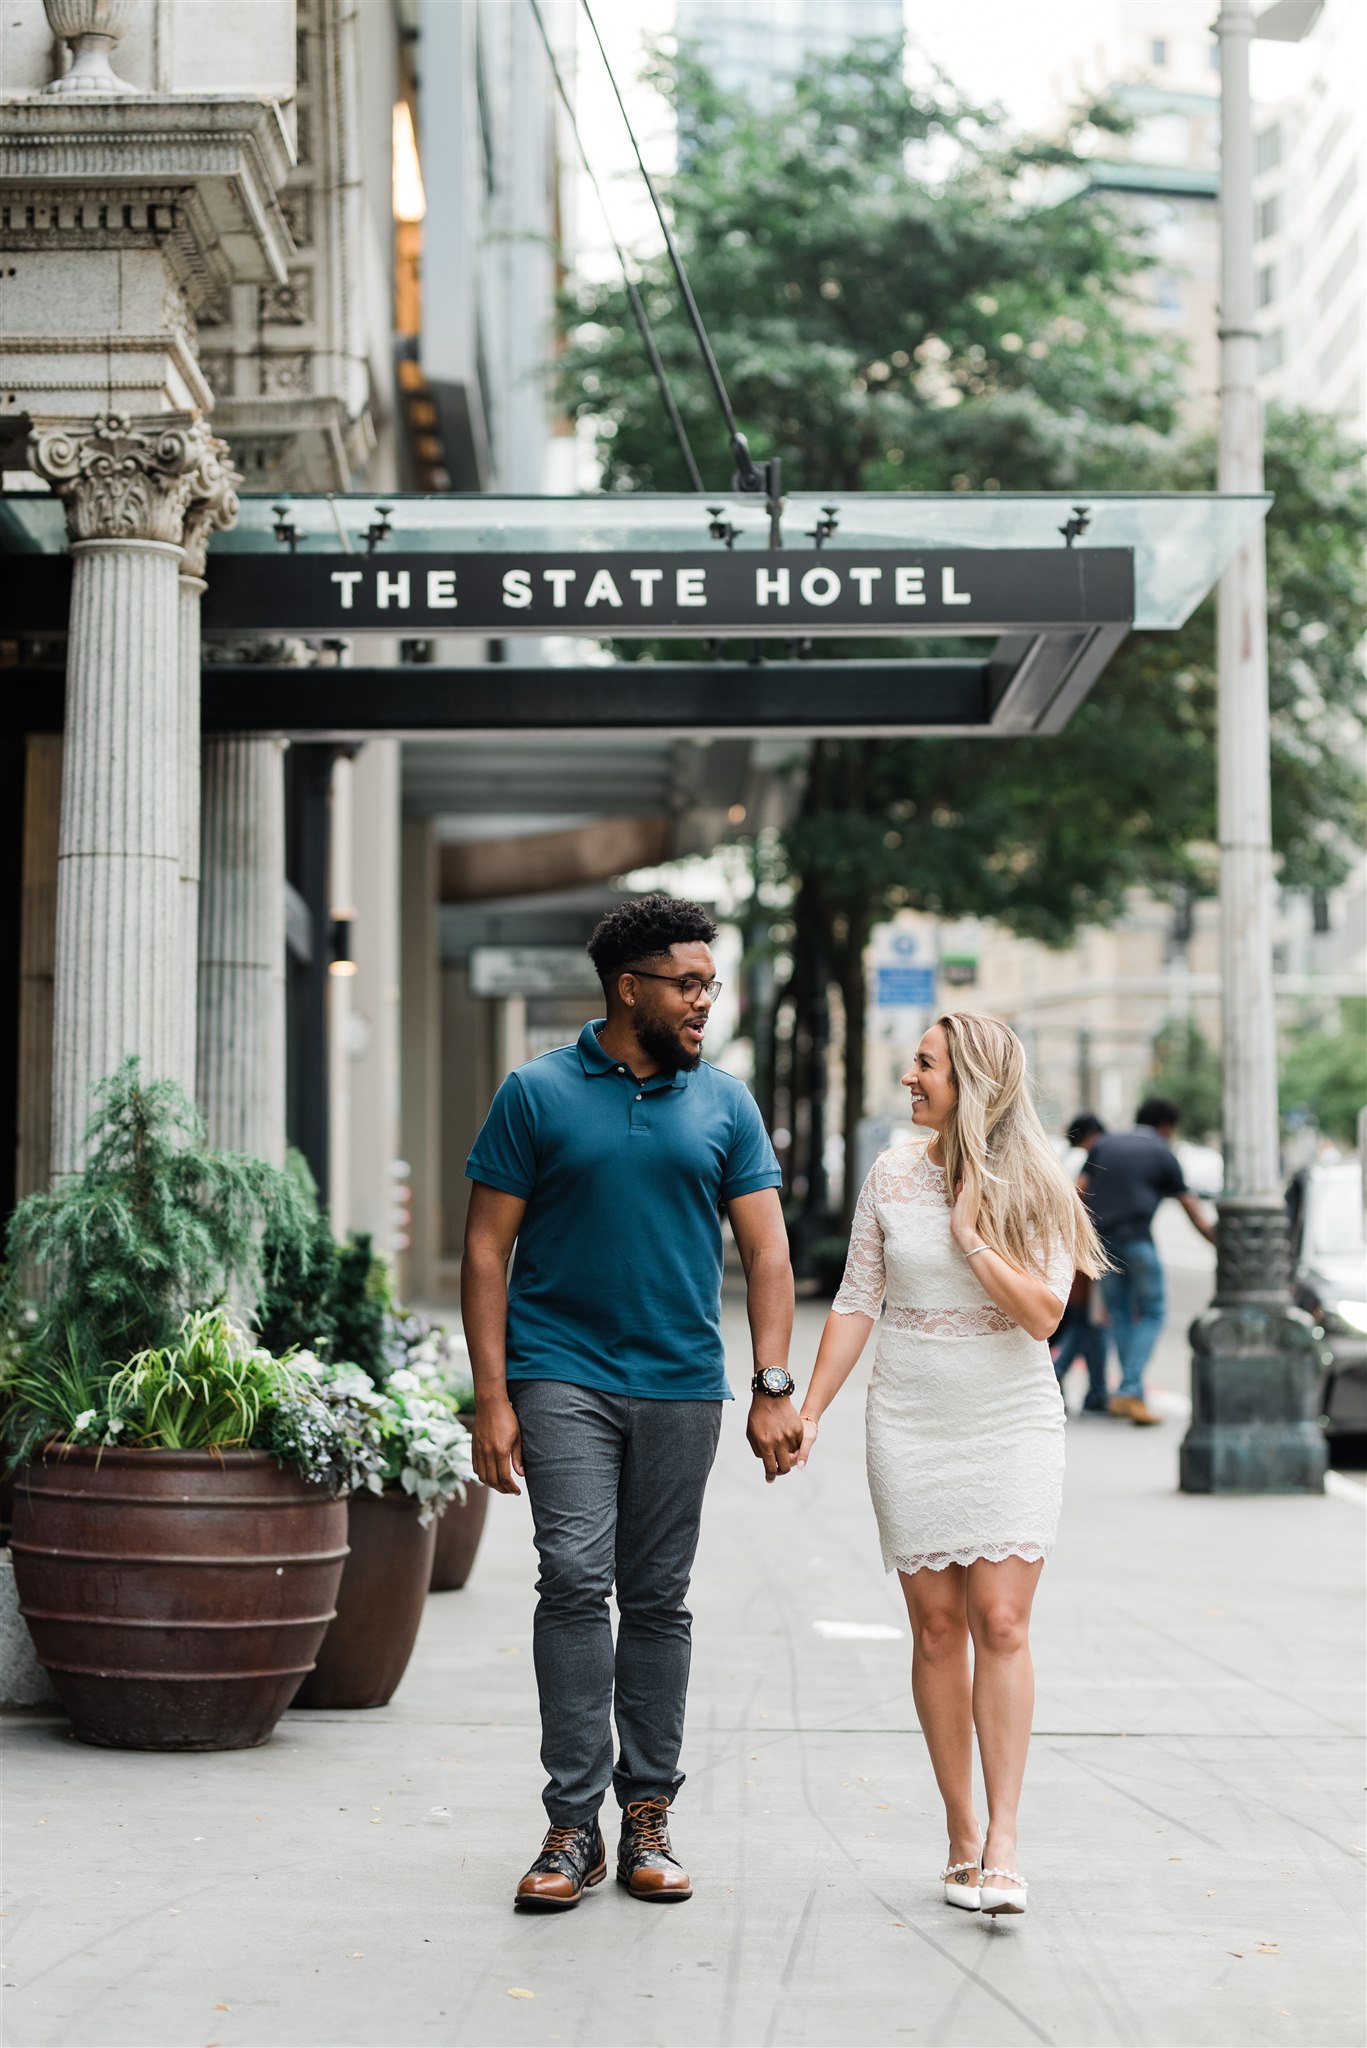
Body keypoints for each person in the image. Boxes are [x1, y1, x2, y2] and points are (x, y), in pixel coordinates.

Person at [461, 894, 803, 1912]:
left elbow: (768, 1251)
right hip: (560, 1370)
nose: (704, 1000)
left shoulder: (724, 1103)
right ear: (627, 986)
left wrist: (771, 1383)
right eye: (687, 982)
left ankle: (646, 1808)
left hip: (680, 1380)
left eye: (710, 982)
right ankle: (572, 1824)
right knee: (572, 1576)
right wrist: (491, 1396)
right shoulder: (535, 1092)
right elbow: (485, 1248)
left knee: (655, 1595)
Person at [794, 1013, 1104, 1918]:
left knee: (1000, 1623)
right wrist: (809, 1408)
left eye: (923, 1066)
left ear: (969, 1079)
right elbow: (857, 1300)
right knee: (936, 1630)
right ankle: (960, 1832)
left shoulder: (1040, 1184)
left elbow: (1044, 1316)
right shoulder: (890, 1173)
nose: (908, 1080)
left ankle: (1005, 1839)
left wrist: (971, 1231)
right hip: (910, 1416)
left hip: (1008, 1418)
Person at [1080, 1095, 1217, 1426]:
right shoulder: (1162, 1152)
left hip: (1103, 1243)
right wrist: (1219, 1243)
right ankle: (1129, 1388)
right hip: (1137, 1239)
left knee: (1122, 1315)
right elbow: (1193, 1212)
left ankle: (1132, 1394)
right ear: (1167, 1126)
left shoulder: (1106, 1144)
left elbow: (1079, 1189)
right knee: (1154, 1312)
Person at [1050, 1114, 1111, 1415]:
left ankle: (1094, 1391)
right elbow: (1078, 1200)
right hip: (1076, 1251)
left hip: (1060, 1249)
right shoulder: (1084, 1161)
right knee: (1088, 1322)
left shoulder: (1059, 1156)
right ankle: (1059, 1374)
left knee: (1082, 1322)